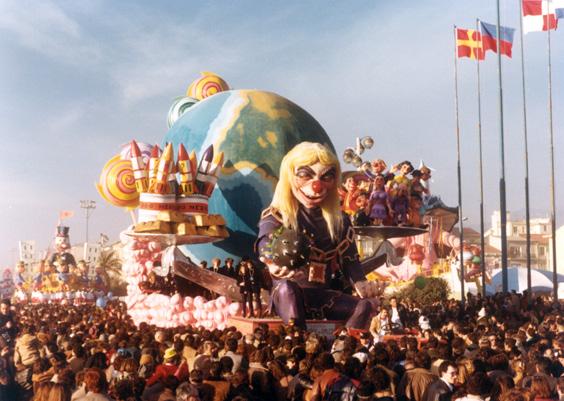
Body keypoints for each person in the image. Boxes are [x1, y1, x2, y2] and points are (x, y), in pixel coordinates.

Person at [256, 142, 380, 330]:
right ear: (289, 176)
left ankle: (345, 348)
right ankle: (298, 344)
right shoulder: (277, 215)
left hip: (323, 297)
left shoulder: (339, 222)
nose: (316, 186)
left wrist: (361, 282)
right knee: (288, 290)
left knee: (364, 306)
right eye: (305, 175)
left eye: (326, 176)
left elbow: (351, 260)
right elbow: (264, 241)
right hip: (287, 294)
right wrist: (272, 261)